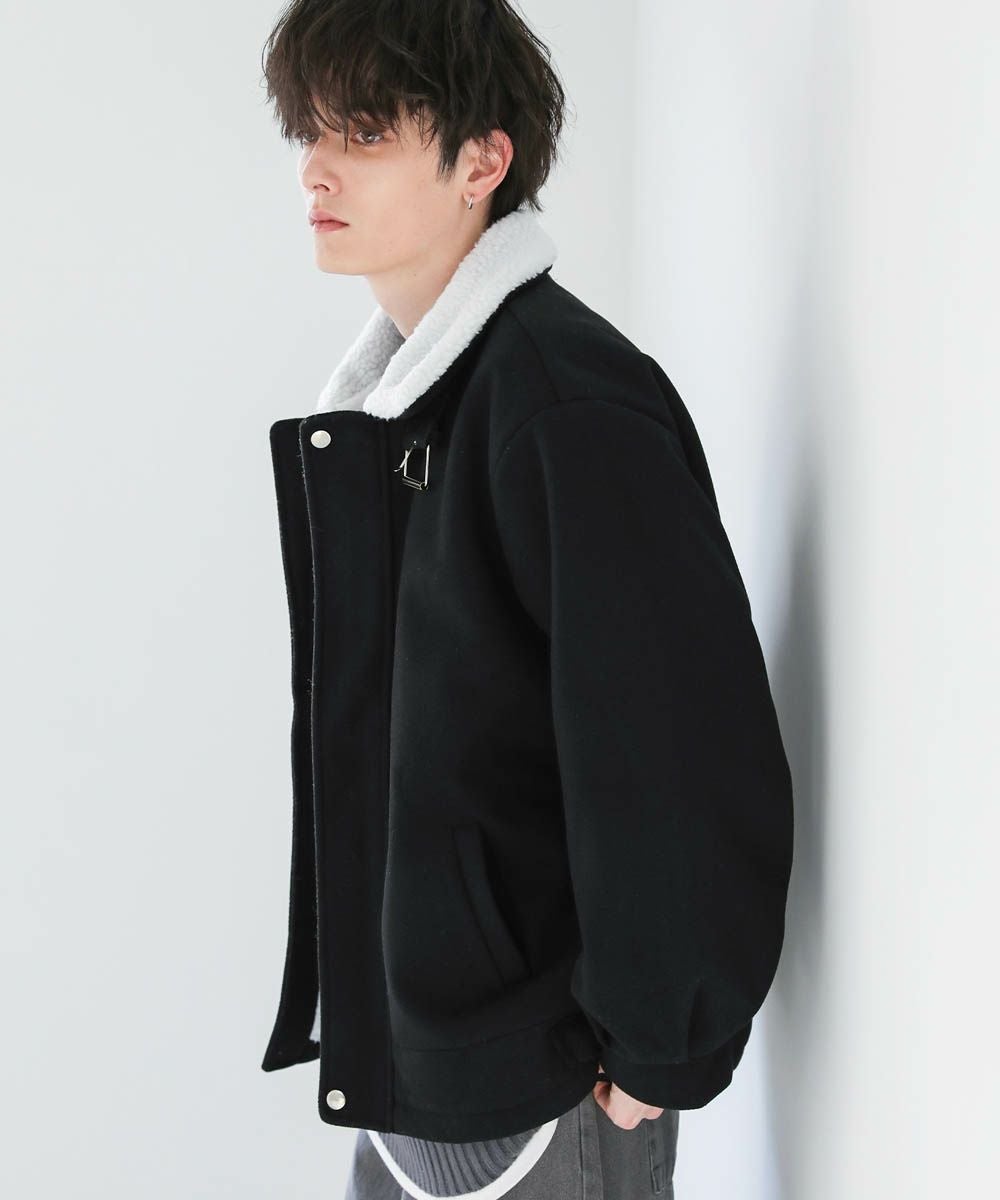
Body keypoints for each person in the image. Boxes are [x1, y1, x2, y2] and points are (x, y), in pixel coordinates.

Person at [258, 3, 794, 1198]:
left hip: (544, 1103)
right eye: (310, 131)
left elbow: (672, 746)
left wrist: (658, 1049)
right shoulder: (410, 413)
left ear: (482, 162)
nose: (316, 169)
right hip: (414, 1087)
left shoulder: (560, 404)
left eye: (364, 131)